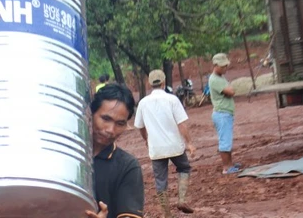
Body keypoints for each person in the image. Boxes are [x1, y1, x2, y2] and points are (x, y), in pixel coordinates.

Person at [134, 69, 196, 218]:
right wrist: (189, 143)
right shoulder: (172, 100)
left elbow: (140, 127)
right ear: (163, 82)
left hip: (156, 148)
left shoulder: (143, 103)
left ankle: (167, 214)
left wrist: (146, 139)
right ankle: (181, 200)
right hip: (175, 145)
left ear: (149, 84)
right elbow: (182, 124)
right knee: (184, 168)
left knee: (160, 180)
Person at [85, 84, 145, 218]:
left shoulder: (127, 166)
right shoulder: (68, 155)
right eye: (106, 119)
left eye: (120, 123)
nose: (111, 130)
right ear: (91, 113)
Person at [209, 53, 240, 174]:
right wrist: (231, 88)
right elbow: (231, 91)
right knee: (225, 141)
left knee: (227, 140)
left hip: (224, 113)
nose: (225, 68)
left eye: (226, 66)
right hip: (222, 114)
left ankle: (230, 164)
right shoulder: (215, 79)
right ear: (215, 65)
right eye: (223, 66)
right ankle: (226, 167)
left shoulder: (220, 77)